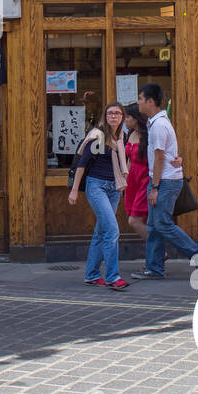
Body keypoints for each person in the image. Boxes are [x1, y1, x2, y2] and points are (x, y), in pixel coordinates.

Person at [133, 82, 198, 279]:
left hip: (164, 181)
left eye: (140, 98)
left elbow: (159, 158)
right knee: (153, 225)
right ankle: (155, 268)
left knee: (162, 223)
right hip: (163, 179)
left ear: (150, 101)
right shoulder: (158, 123)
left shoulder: (159, 125)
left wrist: (154, 187)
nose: (138, 103)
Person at [69, 103, 131, 291]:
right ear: (105, 116)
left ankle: (92, 275)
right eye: (110, 113)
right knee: (112, 231)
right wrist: (74, 189)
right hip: (96, 186)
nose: (113, 116)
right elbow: (83, 163)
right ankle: (113, 277)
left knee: (101, 232)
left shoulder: (121, 137)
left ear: (122, 117)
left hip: (114, 188)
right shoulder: (99, 136)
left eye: (117, 113)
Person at [122, 104, 151, 245]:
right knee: (139, 219)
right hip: (132, 181)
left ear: (136, 119)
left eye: (127, 117)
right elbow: (129, 160)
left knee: (134, 220)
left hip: (145, 180)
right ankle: (155, 256)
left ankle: (158, 251)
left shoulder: (150, 135)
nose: (125, 120)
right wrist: (124, 180)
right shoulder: (130, 134)